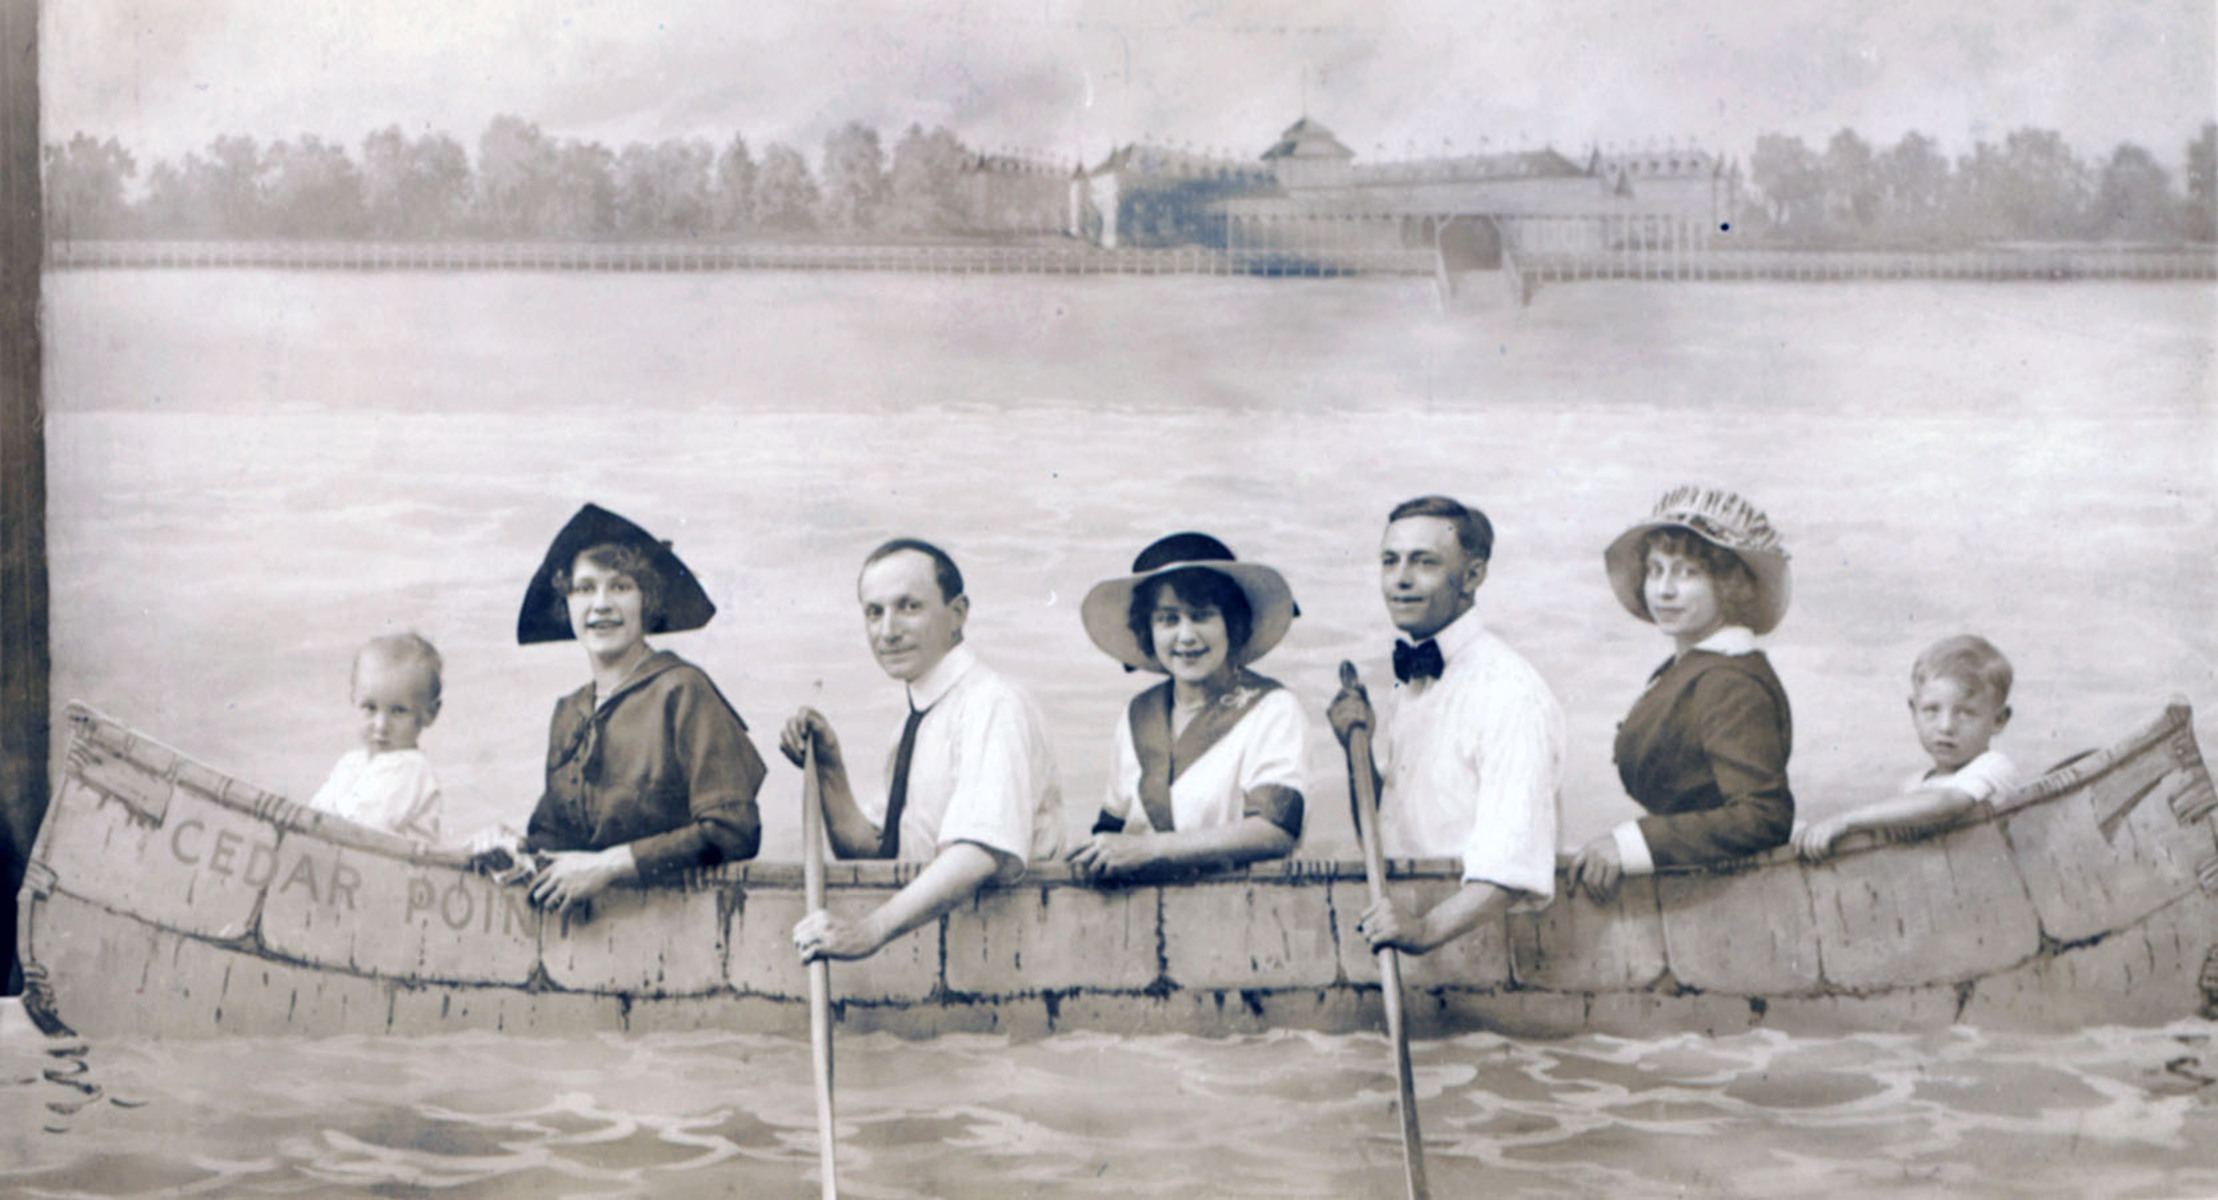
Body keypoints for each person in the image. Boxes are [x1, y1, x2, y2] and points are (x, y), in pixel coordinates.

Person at [475, 503, 765, 915]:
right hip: (595, 940)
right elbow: (556, 842)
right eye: (584, 588)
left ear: (647, 599)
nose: (601, 604)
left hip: (685, 925)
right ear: (566, 604)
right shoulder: (569, 712)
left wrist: (610, 866)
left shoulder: (682, 690)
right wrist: (510, 844)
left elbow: (734, 831)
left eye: (620, 586)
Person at [782, 538, 1062, 963]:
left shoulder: (992, 704)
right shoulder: (913, 723)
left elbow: (978, 852)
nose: (888, 631)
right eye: (874, 613)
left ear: (958, 614)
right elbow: (876, 854)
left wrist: (869, 931)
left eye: (909, 606)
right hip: (951, 958)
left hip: (1016, 955)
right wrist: (829, 768)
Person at [1327, 495, 1564, 955]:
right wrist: (1352, 748)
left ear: (1473, 575)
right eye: (1390, 561)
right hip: (1413, 940)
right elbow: (1384, 838)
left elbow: (1513, 867)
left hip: (1484, 949)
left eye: (1425, 562)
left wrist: (1425, 930)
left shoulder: (1509, 691)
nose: (1400, 580)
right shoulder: (1411, 687)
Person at [1569, 485, 1795, 903]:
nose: (1664, 590)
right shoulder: (1693, 668)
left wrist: (1633, 843)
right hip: (1691, 886)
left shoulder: (1730, 682)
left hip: (1730, 898)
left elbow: (1763, 818)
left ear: (1728, 584)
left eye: (1687, 573)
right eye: (1656, 570)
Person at [1066, 532, 1308, 882]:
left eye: (1202, 616)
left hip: (1246, 906)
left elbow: (1276, 830)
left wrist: (1150, 849)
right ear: (1148, 630)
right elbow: (1112, 828)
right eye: (1168, 619)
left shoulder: (1272, 708)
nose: (1186, 636)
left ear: (1233, 623)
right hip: (1145, 912)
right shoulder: (1137, 714)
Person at [1794, 635, 2018, 860]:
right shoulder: (1913, 786)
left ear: (1998, 720)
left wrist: (1845, 821)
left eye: (1965, 713)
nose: (1946, 726)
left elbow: (1945, 802)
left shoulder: (1993, 767)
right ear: (1914, 710)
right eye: (1931, 710)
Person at [304, 632, 446, 844]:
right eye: (370, 708)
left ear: (428, 714)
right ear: (354, 699)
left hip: (395, 872)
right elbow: (315, 813)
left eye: (398, 711)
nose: (381, 726)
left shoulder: (412, 768)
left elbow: (367, 826)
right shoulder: (350, 763)